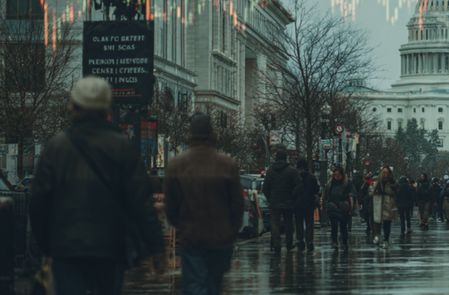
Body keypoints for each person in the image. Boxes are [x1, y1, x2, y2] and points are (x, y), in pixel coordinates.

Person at [30, 76, 164, 294]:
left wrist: (47, 245)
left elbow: (38, 203)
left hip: (66, 249)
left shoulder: (56, 147)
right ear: (105, 108)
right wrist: (155, 247)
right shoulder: (123, 148)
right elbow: (140, 203)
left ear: (73, 107)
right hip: (110, 249)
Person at [163, 112, 244, 294]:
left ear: (189, 136)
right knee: (214, 284)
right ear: (213, 136)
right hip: (221, 238)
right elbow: (237, 204)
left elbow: (170, 206)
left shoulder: (176, 165)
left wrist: (183, 226)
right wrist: (231, 231)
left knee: (195, 284)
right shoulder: (227, 164)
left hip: (192, 237)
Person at [264, 152, 303, 254]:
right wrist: (294, 197)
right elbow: (299, 185)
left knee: (274, 223)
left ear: (276, 158)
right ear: (286, 158)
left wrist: (270, 199)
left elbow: (265, 188)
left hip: (275, 202)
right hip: (289, 201)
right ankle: (289, 243)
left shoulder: (270, 171)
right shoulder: (291, 170)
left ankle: (276, 244)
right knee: (288, 223)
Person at [324, 166, 356, 250]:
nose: (337, 176)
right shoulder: (330, 184)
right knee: (334, 226)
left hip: (343, 207)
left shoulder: (347, 183)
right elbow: (326, 194)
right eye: (335, 174)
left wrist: (349, 204)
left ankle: (344, 242)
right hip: (333, 207)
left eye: (338, 174)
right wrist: (327, 203)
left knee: (343, 227)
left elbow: (353, 192)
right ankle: (335, 242)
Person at [369, 165, 399, 249]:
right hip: (378, 204)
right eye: (384, 172)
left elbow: (396, 192)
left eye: (387, 172)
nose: (386, 174)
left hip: (388, 205)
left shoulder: (393, 183)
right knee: (377, 221)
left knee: (387, 223)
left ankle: (386, 239)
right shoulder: (377, 183)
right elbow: (370, 192)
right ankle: (378, 236)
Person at [293, 158, 319, 251]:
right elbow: (316, 190)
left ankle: (300, 240)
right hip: (309, 203)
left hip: (298, 204)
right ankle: (309, 241)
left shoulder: (295, 177)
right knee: (309, 222)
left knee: (299, 223)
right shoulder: (312, 177)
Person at [358, 173, 375, 239]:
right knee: (371, 215)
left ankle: (369, 226)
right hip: (370, 202)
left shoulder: (364, 184)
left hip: (366, 202)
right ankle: (371, 227)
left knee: (367, 215)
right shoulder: (371, 184)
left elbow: (361, 193)